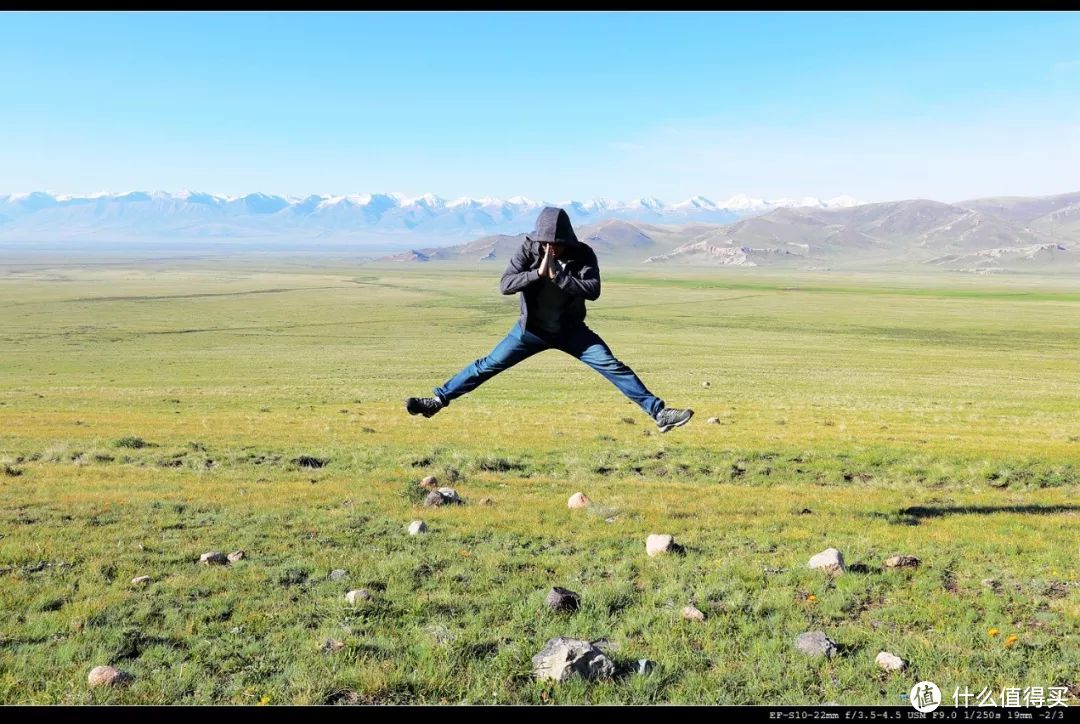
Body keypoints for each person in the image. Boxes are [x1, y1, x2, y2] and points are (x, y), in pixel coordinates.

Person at [405, 206, 694, 433]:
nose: (550, 248)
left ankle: (659, 413)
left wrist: (560, 276)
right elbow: (506, 285)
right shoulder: (528, 250)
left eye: (556, 244)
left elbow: (593, 291)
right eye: (545, 243)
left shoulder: (583, 255)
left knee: (612, 365)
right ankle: (437, 401)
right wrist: (537, 273)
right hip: (530, 331)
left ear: (567, 240)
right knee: (487, 365)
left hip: (571, 332)